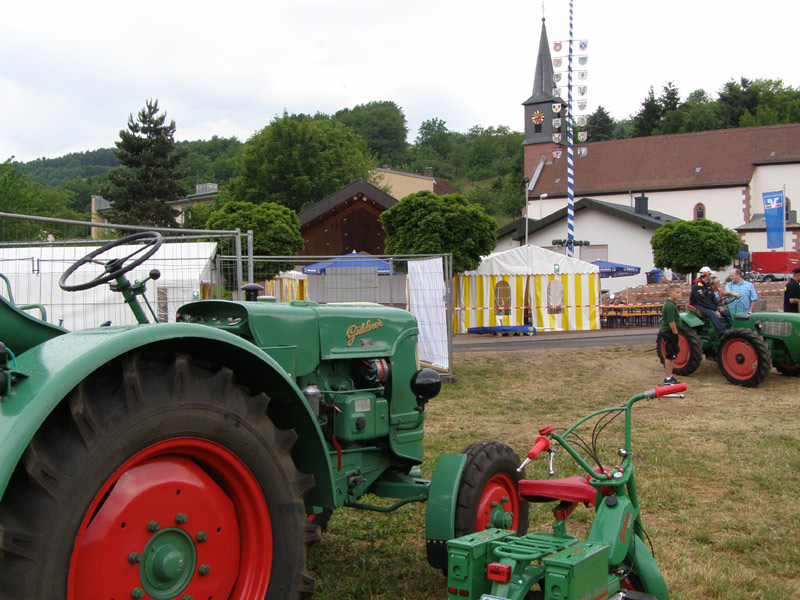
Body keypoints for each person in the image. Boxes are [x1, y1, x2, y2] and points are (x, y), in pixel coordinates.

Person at [689, 266, 726, 335]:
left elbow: (713, 297)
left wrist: (719, 306)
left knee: (725, 311)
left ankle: (731, 327)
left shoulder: (707, 285)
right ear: (707, 275)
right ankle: (722, 332)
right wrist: (715, 309)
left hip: (707, 305)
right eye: (710, 274)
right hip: (699, 306)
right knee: (712, 314)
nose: (711, 276)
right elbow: (703, 301)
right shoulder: (697, 286)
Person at [660, 283, 682, 385]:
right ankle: (667, 378)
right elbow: (671, 321)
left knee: (673, 355)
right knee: (670, 355)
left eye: (680, 293)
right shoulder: (669, 306)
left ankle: (670, 376)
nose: (679, 295)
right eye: (677, 292)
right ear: (670, 293)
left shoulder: (672, 304)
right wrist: (675, 333)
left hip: (671, 332)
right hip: (669, 332)